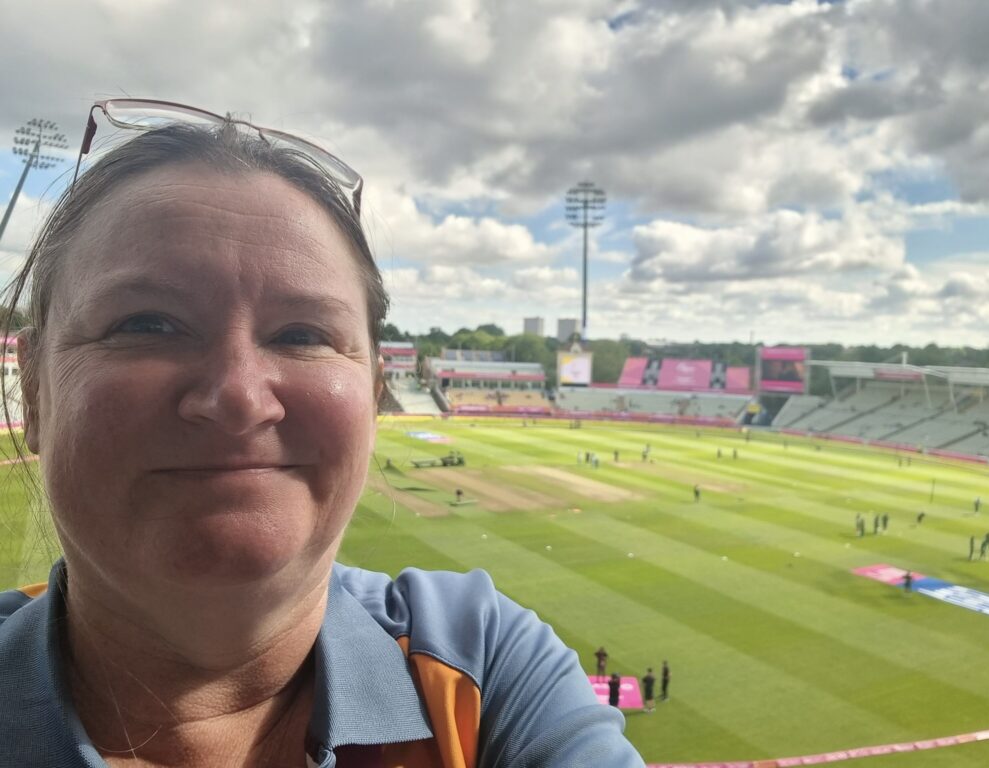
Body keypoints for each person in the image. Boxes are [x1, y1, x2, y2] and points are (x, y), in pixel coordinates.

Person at [0, 102, 643, 767]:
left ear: (372, 397)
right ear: (37, 388)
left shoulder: (484, 663)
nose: (239, 398)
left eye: (303, 334)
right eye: (148, 325)